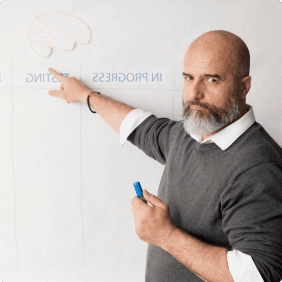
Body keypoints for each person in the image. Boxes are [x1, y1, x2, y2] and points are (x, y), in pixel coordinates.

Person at [47, 30, 282, 282]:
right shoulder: (189, 134)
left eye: (211, 80)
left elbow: (258, 274)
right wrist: (86, 96)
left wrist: (164, 235)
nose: (194, 93)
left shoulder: (259, 166)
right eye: (189, 77)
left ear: (244, 86)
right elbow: (139, 126)